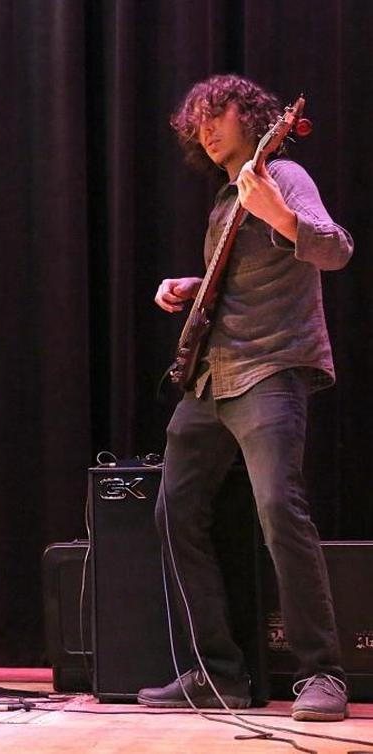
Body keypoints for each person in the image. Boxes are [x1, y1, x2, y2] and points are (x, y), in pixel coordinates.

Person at [137, 74, 351, 722]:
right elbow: (245, 278)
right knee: (173, 512)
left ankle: (323, 674)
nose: (206, 125)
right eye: (196, 117)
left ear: (256, 117)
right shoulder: (223, 204)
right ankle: (218, 674)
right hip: (211, 378)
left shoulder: (282, 175)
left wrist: (279, 215)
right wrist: (192, 286)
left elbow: (335, 248)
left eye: (218, 111)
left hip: (271, 368)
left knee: (278, 511)